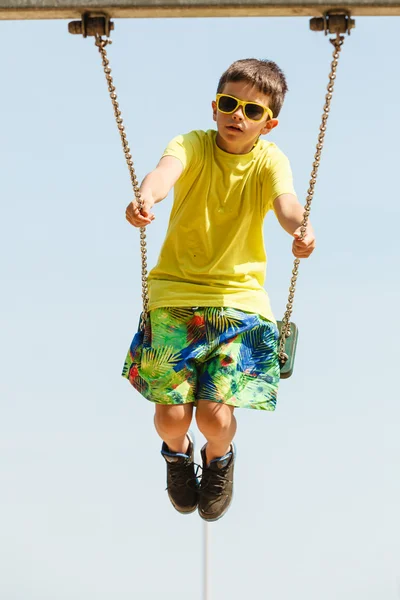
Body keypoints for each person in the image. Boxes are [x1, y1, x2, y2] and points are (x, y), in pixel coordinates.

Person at [122, 58, 315, 522]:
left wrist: (300, 228)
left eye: (252, 111)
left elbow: (285, 203)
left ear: (269, 123)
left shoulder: (270, 160)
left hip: (239, 303)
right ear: (214, 108)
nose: (238, 116)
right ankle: (176, 454)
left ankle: (219, 457)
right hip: (176, 295)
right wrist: (146, 197)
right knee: (171, 419)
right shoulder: (192, 143)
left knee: (213, 416)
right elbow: (165, 171)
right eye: (230, 104)